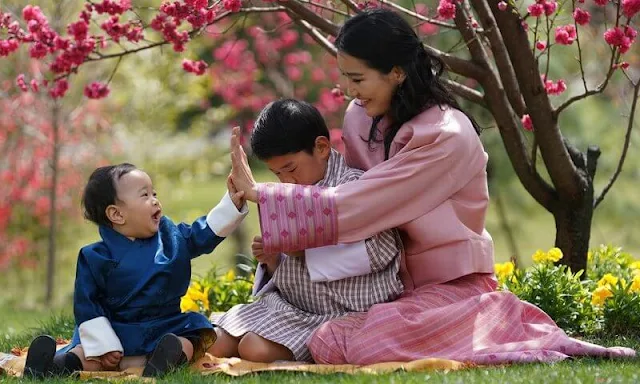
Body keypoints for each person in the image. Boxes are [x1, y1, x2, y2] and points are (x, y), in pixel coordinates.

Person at [227, 8, 636, 365]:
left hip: (448, 289)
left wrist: (265, 193)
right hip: (385, 292)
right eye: (345, 78)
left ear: (397, 72)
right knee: (326, 335)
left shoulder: (445, 134)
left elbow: (364, 203)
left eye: (357, 79)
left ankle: (494, 319)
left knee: (351, 339)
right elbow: (346, 200)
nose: (348, 91)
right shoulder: (358, 118)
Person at [209, 99, 403, 363]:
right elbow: (290, 274)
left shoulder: (354, 186)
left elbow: (380, 251)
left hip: (339, 314)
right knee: (216, 340)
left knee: (253, 348)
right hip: (289, 307)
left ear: (322, 147)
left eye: (291, 169)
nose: (287, 181)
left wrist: (304, 252)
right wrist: (273, 260)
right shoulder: (288, 196)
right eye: (277, 174)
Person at [23, 163, 248, 378]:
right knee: (88, 355)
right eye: (145, 195)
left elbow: (204, 231)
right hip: (116, 333)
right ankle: (53, 365)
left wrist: (232, 204)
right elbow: (87, 305)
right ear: (117, 214)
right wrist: (104, 345)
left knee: (187, 339)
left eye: (154, 193)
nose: (155, 201)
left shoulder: (172, 238)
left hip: (166, 328)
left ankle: (164, 360)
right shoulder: (95, 256)